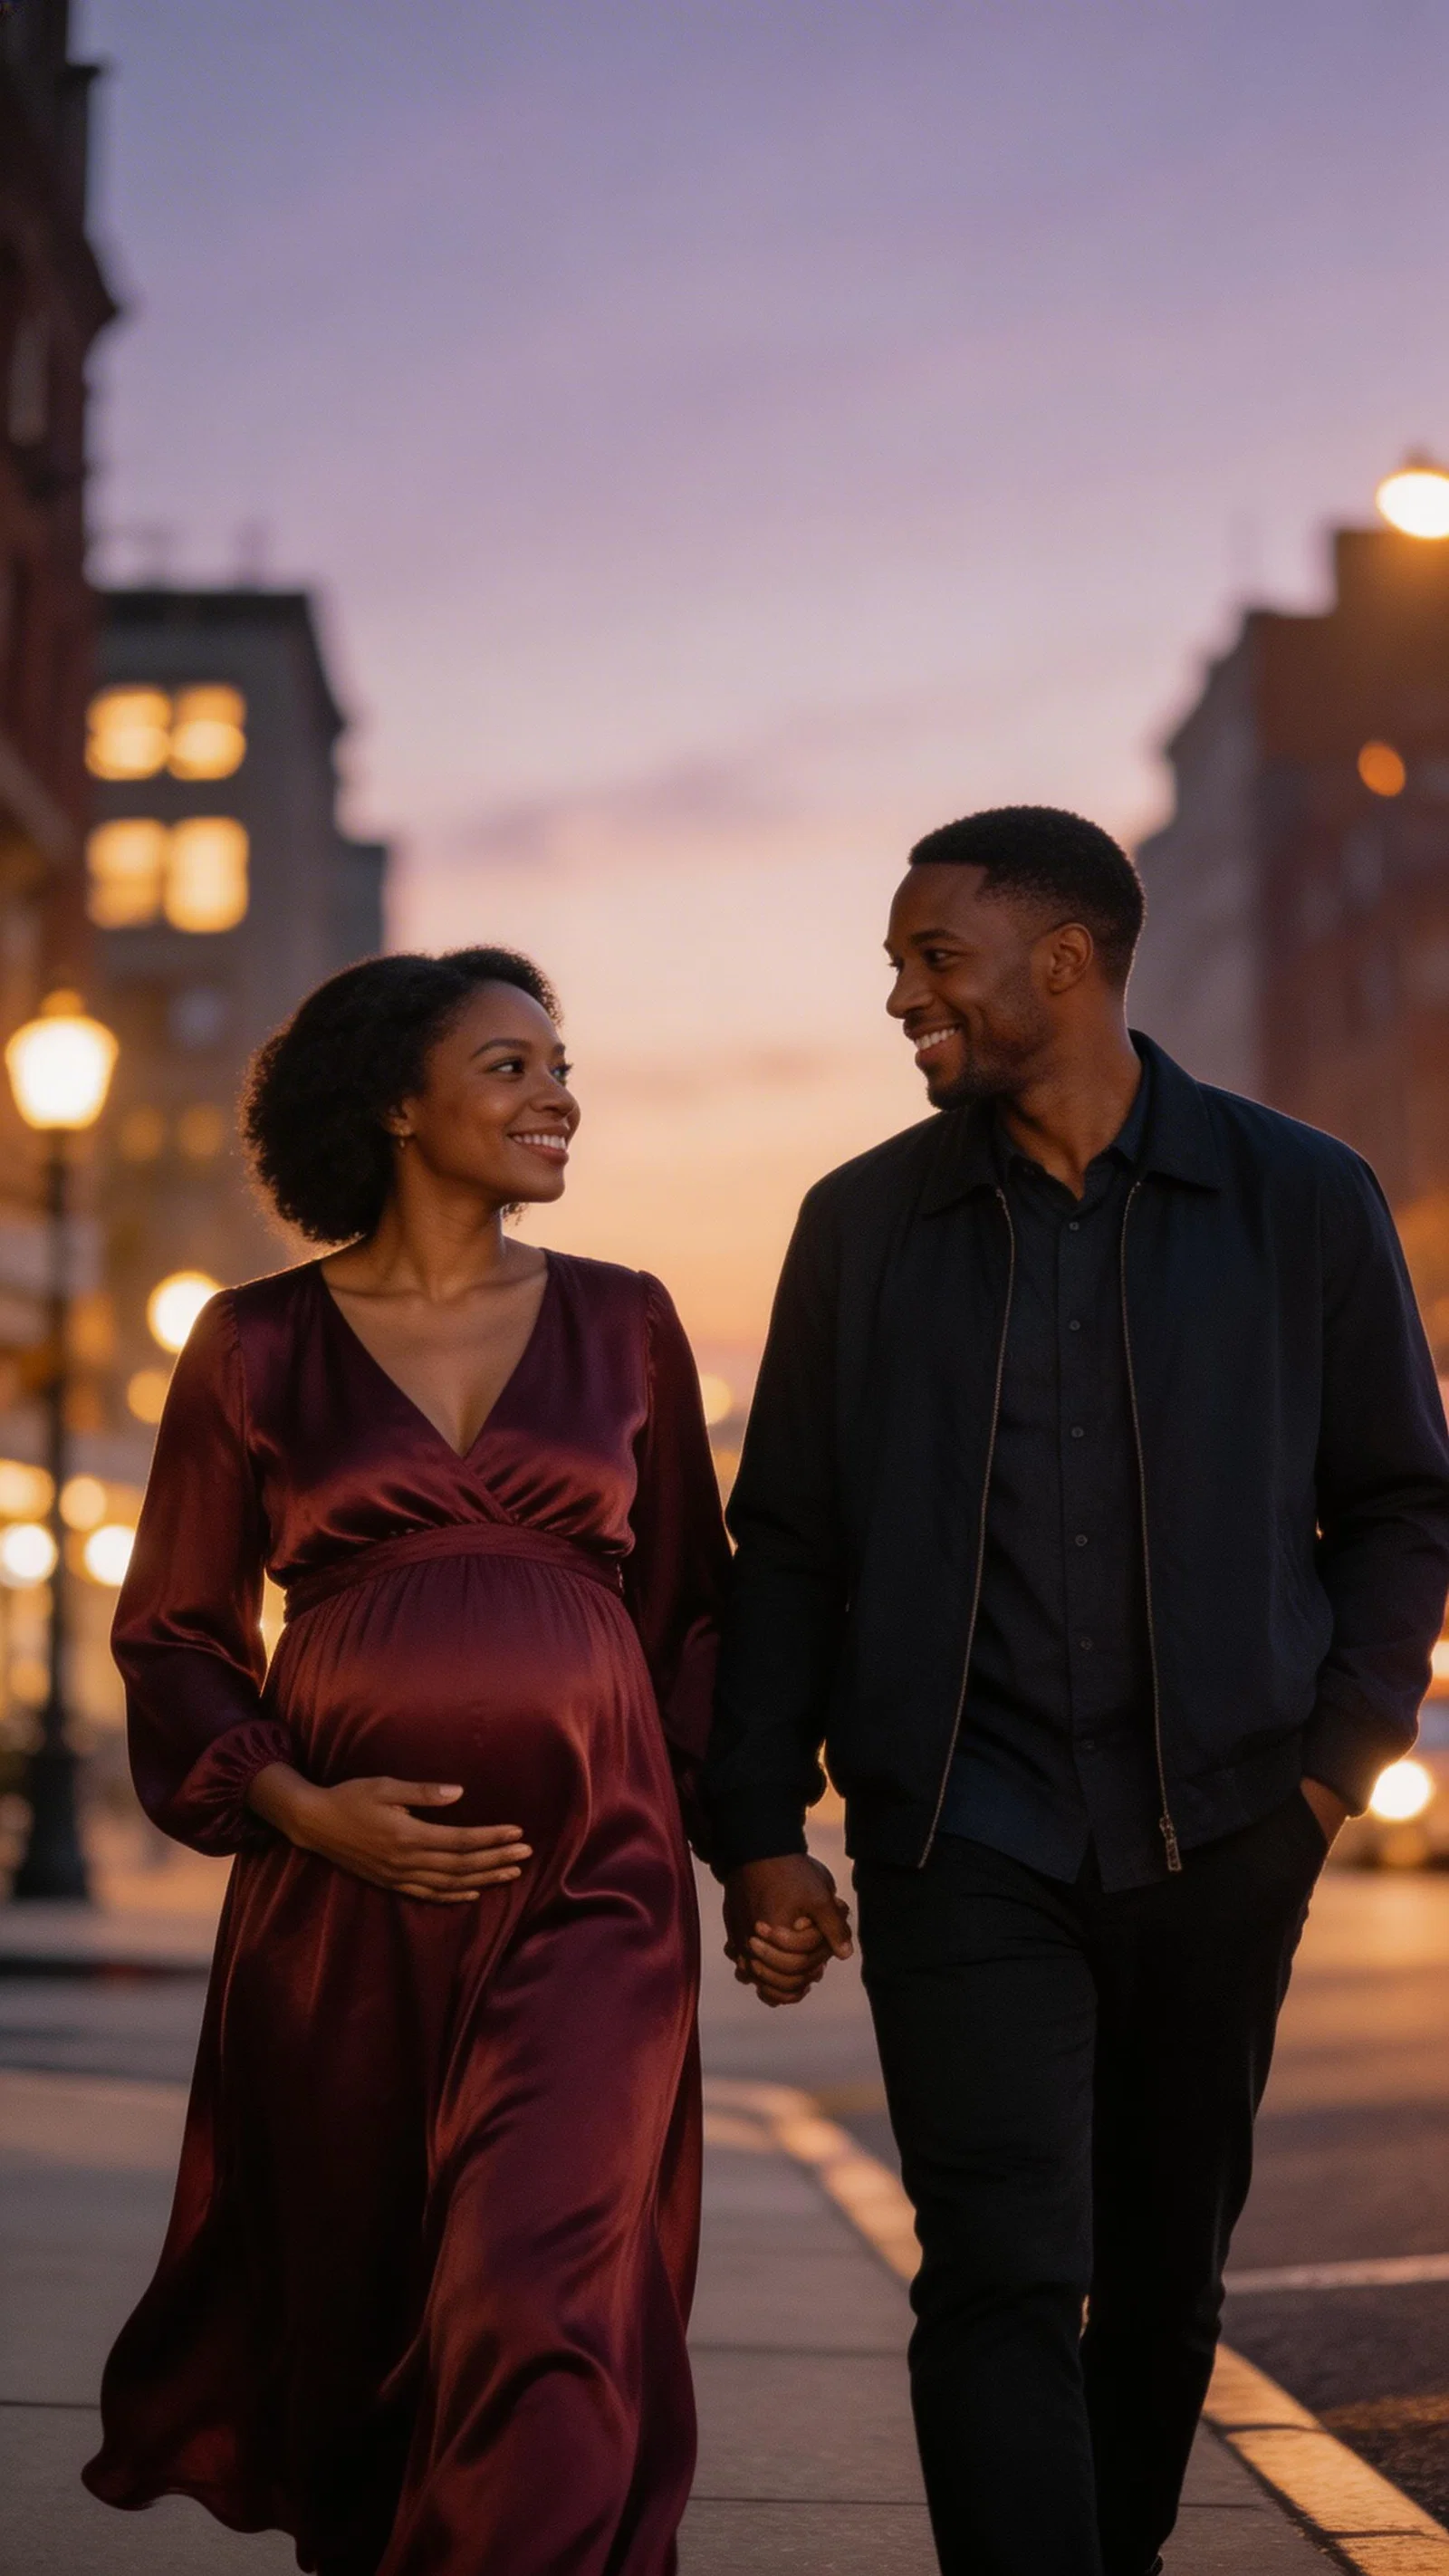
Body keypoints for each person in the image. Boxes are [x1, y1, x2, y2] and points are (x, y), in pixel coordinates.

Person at [705, 807, 1449, 2576]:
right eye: (895, 964)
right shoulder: (860, 1226)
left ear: (1064, 960)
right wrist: (755, 1827)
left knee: (1162, 2272)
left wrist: (1328, 1769)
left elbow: (1399, 1500)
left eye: (928, 957)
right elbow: (787, 1543)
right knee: (997, 2265)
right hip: (959, 1833)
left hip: (1225, 1831)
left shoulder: (1297, 1197)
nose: (898, 996)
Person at [83, 947, 729, 2576]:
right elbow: (171, 1628)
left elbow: (692, 1620)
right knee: (367, 2313)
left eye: (560, 1062)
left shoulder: (627, 1319)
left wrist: (757, 1845)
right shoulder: (250, 1344)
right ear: (393, 1103)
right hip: (337, 1911)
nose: (556, 1093)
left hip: (594, 1883)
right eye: (509, 1066)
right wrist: (300, 1807)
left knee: (543, 2294)